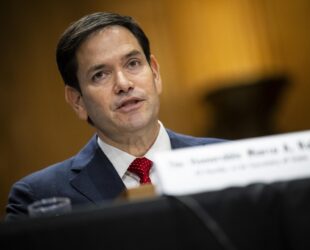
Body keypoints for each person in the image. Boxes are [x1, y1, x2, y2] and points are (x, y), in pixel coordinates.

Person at [6, 12, 224, 221]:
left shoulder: (224, 160)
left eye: (133, 64)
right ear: (77, 101)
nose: (123, 84)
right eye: (100, 75)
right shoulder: (36, 197)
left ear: (155, 74)